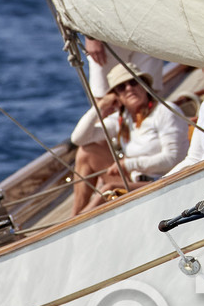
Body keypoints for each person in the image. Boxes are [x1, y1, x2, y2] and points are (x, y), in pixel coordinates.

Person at [70, 63, 189, 215]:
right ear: (117, 97)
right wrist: (100, 106)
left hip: (163, 180)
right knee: (86, 152)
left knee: (109, 189)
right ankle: (75, 216)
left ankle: (72, 224)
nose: (129, 89)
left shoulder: (165, 112)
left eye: (133, 82)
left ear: (144, 86)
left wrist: (128, 164)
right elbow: (78, 138)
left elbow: (173, 159)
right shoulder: (122, 119)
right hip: (135, 179)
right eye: (121, 87)